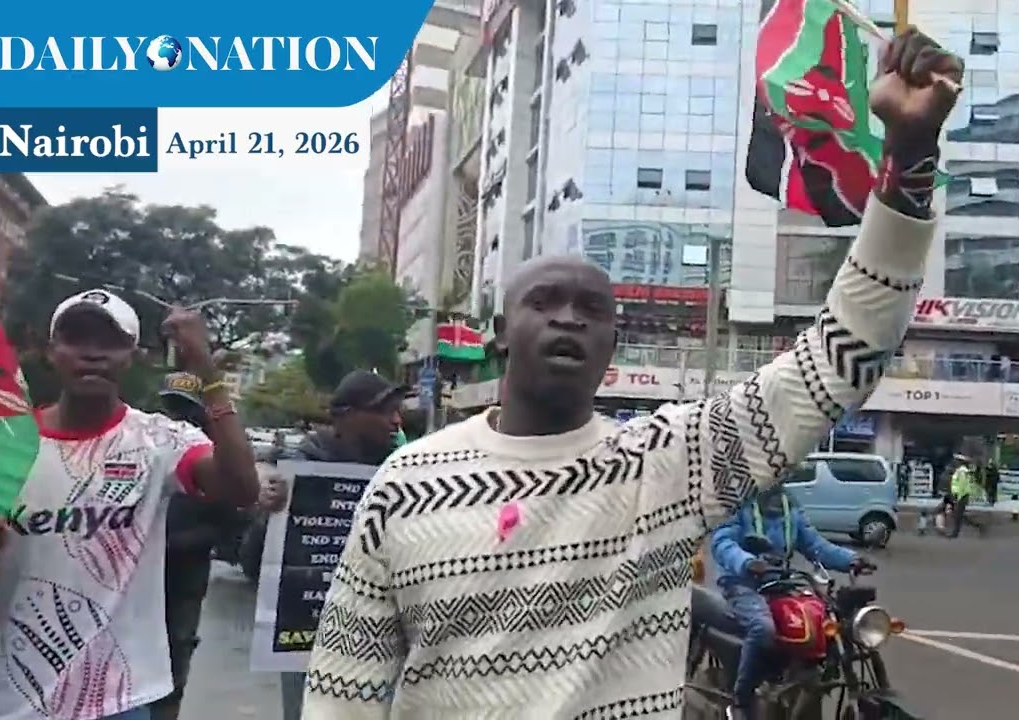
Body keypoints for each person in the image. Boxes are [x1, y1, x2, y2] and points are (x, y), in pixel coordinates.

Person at [301, 29, 962, 719]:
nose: (566, 318)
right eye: (543, 302)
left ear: (612, 343)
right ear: (501, 333)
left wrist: (909, 157)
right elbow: (343, 692)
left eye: (590, 309)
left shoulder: (667, 464)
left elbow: (838, 358)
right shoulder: (405, 485)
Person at [0, 290, 260, 720]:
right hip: (10, 694)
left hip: (117, 697)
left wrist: (207, 370)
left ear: (131, 356)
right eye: (76, 339)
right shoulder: (3, 443)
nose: (93, 354)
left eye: (110, 342)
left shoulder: (159, 440)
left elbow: (243, 488)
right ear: (50, 352)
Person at [267, 369, 406, 720]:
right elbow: (259, 562)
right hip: (307, 641)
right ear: (346, 415)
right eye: (383, 411)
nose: (396, 420)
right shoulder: (301, 468)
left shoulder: (401, 473)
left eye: (397, 410)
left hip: (378, 639)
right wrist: (270, 508)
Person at [150, 373, 287, 720]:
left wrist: (262, 500)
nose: (177, 417)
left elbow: (243, 501)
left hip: (185, 568)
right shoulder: (147, 440)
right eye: (172, 407)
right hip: (135, 566)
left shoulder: (216, 456)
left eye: (186, 410)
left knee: (174, 657)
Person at [710, 488, 862, 717]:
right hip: (741, 583)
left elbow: (815, 545)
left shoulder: (787, 505)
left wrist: (851, 560)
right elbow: (722, 543)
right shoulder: (737, 501)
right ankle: (741, 701)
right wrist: (747, 562)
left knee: (823, 620)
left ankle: (798, 682)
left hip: (780, 583)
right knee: (763, 628)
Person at [945, 453, 987, 538]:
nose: (955, 462)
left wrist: (958, 496)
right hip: (961, 495)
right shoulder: (961, 471)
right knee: (959, 515)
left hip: (961, 495)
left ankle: (955, 533)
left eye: (957, 461)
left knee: (958, 516)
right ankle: (978, 526)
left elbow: (962, 485)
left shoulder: (961, 471)